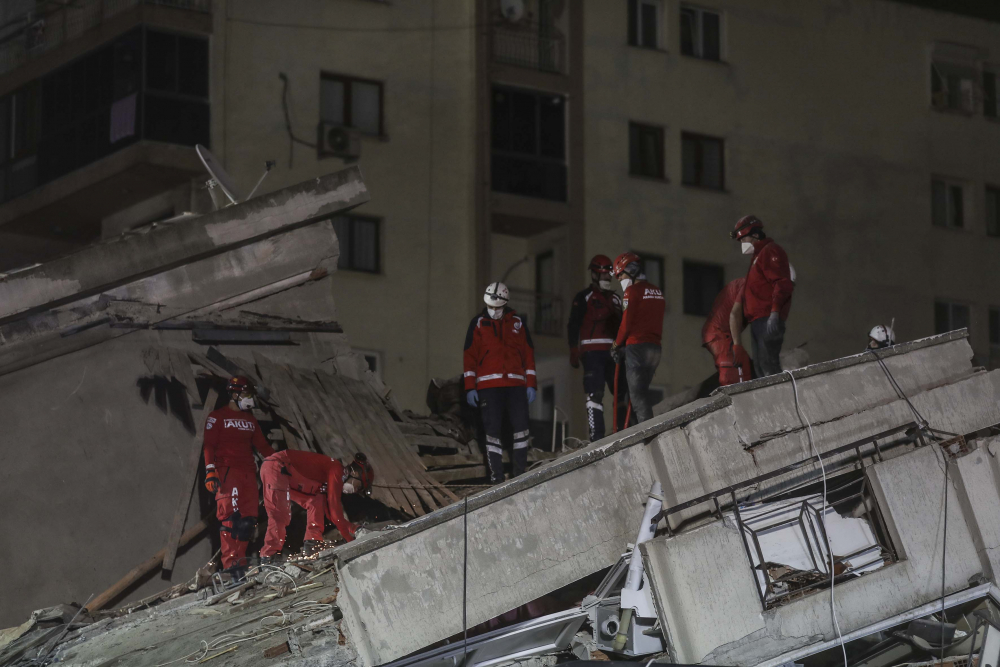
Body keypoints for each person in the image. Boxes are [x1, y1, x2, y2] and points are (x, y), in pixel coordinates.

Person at [463, 282, 537, 484]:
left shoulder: (518, 324)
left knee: (521, 430)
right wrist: (470, 387)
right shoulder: (477, 324)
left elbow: (528, 355)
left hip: (516, 386)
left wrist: (531, 383)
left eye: (497, 307)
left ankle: (519, 475)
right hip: (488, 388)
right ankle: (496, 477)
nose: (494, 311)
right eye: (490, 307)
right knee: (492, 432)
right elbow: (469, 356)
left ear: (505, 304)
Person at [203, 376, 275, 574]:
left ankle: (240, 565)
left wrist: (282, 461)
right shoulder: (217, 417)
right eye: (246, 395)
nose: (249, 399)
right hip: (227, 472)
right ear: (234, 394)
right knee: (230, 519)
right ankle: (230, 565)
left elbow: (262, 445)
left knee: (247, 521)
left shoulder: (250, 420)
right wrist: (210, 471)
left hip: (248, 474)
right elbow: (209, 445)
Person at [259, 450, 374, 563]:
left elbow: (331, 514)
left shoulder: (328, 478)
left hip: (289, 475)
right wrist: (350, 539)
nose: (355, 491)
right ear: (356, 473)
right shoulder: (337, 469)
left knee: (316, 501)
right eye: (358, 487)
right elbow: (335, 509)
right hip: (277, 467)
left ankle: (312, 543)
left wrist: (354, 529)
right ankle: (269, 557)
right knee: (280, 514)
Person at [567, 254, 625, 441]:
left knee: (622, 391)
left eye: (608, 275)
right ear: (594, 275)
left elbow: (625, 325)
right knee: (595, 393)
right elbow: (573, 324)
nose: (606, 279)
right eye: (603, 275)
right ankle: (596, 436)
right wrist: (573, 348)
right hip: (592, 353)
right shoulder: (584, 297)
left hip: (613, 352)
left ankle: (624, 429)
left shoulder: (616, 299)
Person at [731, 215, 794, 377]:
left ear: (755, 234)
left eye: (743, 239)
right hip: (758, 320)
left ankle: (780, 399)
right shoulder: (757, 258)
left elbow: (781, 283)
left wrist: (774, 312)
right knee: (761, 368)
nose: (742, 244)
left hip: (766, 318)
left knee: (768, 367)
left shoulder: (770, 251)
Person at [609, 253, 665, 424]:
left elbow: (626, 324)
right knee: (639, 394)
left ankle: (647, 435)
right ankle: (636, 427)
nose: (620, 280)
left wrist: (616, 345)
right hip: (655, 349)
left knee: (637, 397)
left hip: (637, 348)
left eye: (621, 275)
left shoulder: (631, 292)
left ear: (631, 271)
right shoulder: (657, 291)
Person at [703, 277, 752, 386]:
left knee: (745, 366)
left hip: (723, 333)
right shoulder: (749, 287)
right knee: (730, 374)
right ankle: (730, 399)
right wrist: (737, 345)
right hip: (717, 334)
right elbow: (734, 315)